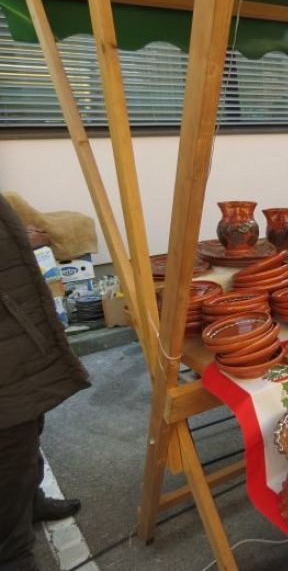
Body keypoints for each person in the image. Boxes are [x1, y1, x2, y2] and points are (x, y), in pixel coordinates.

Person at [0, 193, 89, 571]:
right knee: (9, 450)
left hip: (17, 331)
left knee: (28, 423)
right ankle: (13, 554)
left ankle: (32, 501)